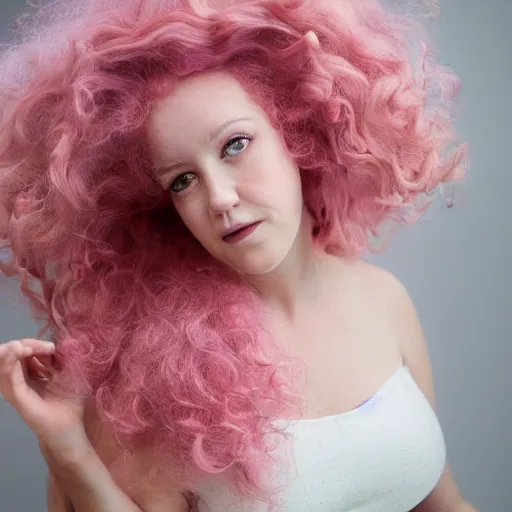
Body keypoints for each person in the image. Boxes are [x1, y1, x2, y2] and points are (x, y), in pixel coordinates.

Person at [0, 0, 477, 510]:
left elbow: (443, 502)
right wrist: (66, 446)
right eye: (183, 180)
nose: (220, 198)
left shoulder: (384, 300)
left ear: (300, 133)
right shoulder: (157, 368)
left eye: (235, 145)